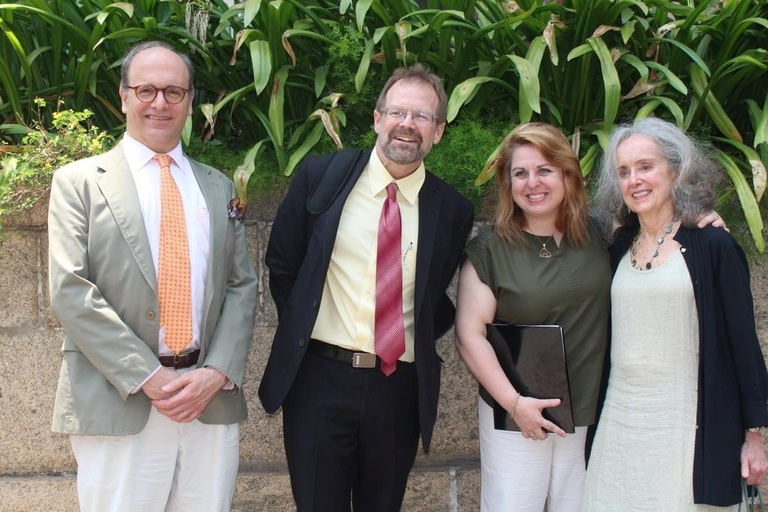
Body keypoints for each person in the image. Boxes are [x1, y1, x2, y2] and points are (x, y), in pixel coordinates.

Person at [47, 41, 258, 512]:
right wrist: (146, 374)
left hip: (208, 402)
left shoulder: (218, 185)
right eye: (146, 90)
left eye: (173, 91)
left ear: (189, 101)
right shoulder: (79, 182)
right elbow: (70, 289)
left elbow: (242, 286)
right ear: (123, 97)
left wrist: (218, 371)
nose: (159, 103)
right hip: (119, 400)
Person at [259, 64, 474, 511]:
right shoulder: (322, 178)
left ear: (438, 131)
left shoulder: (451, 209)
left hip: (397, 390)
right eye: (398, 112)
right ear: (377, 119)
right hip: (320, 381)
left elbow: (435, 297)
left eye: (422, 116)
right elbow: (282, 264)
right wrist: (304, 325)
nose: (407, 125)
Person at [581, 117, 768, 510]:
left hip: (685, 429)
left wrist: (754, 436)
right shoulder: (616, 248)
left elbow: (743, 345)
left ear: (676, 170)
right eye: (624, 172)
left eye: (646, 167)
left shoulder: (713, 245)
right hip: (620, 426)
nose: (635, 180)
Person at [454, 122, 612, 511]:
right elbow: (469, 335)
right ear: (508, 184)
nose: (532, 183)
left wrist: (703, 219)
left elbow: (660, 228)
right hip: (518, 413)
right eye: (520, 173)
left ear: (566, 174)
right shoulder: (490, 250)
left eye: (544, 170)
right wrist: (514, 403)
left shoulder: (602, 234)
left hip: (591, 411)